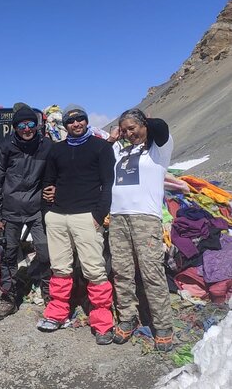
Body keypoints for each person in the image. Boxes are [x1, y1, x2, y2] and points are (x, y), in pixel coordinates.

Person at [37, 104, 116, 345]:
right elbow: (48, 180)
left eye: (80, 119)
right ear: (65, 125)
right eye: (71, 121)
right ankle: (57, 313)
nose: (76, 124)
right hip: (58, 217)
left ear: (86, 121)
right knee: (60, 267)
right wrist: (47, 204)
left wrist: (99, 214)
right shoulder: (56, 150)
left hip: (87, 216)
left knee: (94, 269)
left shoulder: (101, 147)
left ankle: (102, 321)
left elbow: (108, 184)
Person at [107, 109, 174, 351]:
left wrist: (142, 122)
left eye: (132, 128)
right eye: (124, 130)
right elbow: (102, 156)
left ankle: (163, 325)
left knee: (151, 272)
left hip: (145, 218)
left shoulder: (158, 149)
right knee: (122, 271)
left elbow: (161, 126)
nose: (128, 133)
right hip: (117, 218)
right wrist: (114, 138)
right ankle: (128, 317)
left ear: (144, 125)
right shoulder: (121, 150)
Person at [0, 104, 52, 320]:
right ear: (15, 128)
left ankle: (50, 297)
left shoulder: (47, 147)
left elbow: (59, 173)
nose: (27, 129)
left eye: (31, 124)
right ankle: (9, 299)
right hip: (10, 212)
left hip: (38, 211)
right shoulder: (5, 148)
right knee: (8, 256)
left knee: (45, 254)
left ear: (37, 125)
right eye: (22, 125)